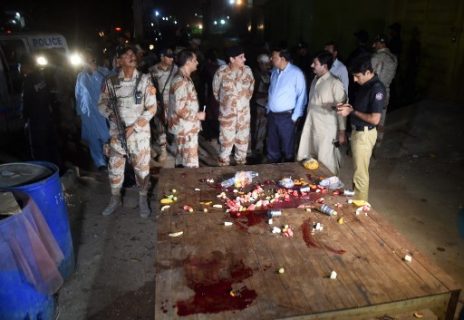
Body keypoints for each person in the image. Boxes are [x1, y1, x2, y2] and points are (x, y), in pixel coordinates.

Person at [98, 46, 157, 218]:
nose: (132, 57)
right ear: (119, 61)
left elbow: (152, 108)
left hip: (139, 135)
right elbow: (101, 104)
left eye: (133, 54)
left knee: (142, 170)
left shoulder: (145, 80)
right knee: (115, 169)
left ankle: (142, 200)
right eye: (127, 55)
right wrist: (112, 116)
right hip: (117, 134)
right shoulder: (111, 81)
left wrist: (134, 127)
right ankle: (115, 199)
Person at [336, 54, 385, 201]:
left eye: (357, 76)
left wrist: (352, 111)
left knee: (361, 175)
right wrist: (349, 107)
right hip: (358, 132)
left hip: (365, 134)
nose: (354, 80)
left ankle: (360, 207)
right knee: (358, 173)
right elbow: (361, 107)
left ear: (368, 72)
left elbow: (375, 119)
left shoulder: (377, 89)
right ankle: (356, 200)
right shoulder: (365, 85)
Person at [297, 51, 346, 175]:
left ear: (324, 66)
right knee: (310, 157)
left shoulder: (335, 83)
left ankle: (330, 188)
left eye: (315, 63)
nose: (312, 65)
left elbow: (342, 109)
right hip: (312, 126)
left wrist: (342, 132)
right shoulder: (315, 80)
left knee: (326, 160)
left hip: (326, 130)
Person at [213, 46, 254, 166]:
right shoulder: (221, 72)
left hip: (244, 115)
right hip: (227, 116)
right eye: (241, 57)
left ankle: (241, 167)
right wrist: (228, 105)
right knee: (226, 144)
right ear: (231, 59)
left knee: (242, 143)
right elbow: (216, 92)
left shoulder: (248, 71)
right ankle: (223, 168)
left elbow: (250, 91)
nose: (244, 59)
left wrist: (241, 104)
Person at [266, 47, 307, 163]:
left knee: (287, 146)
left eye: (274, 57)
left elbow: (302, 96)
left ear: (282, 59)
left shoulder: (296, 73)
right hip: (272, 115)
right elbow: (271, 91)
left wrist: (295, 117)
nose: (271, 59)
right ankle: (272, 171)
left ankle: (288, 172)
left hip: (287, 116)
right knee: (272, 145)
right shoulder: (274, 72)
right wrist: (268, 108)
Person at [167, 49, 206, 168]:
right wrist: (197, 116)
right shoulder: (181, 81)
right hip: (185, 130)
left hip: (185, 128)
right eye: (195, 60)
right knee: (190, 165)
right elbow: (180, 109)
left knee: (181, 162)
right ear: (188, 62)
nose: (197, 63)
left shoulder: (184, 78)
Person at [75, 49, 112, 171]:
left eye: (88, 59)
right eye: (84, 59)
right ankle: (100, 163)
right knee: (93, 139)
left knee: (106, 137)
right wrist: (79, 113)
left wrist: (95, 71)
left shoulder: (104, 72)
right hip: (88, 114)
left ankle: (111, 160)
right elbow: (78, 95)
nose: (86, 62)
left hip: (103, 113)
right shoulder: (81, 76)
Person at [21, 55, 61, 166]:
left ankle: (44, 169)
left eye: (21, 66)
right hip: (46, 116)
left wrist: (24, 118)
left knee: (38, 148)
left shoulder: (28, 81)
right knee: (50, 145)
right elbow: (48, 95)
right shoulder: (40, 77)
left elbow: (26, 101)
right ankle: (56, 167)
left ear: (26, 66)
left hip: (36, 121)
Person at [148, 48, 178, 162]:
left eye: (172, 56)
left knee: (175, 127)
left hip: (173, 103)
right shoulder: (153, 70)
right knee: (160, 128)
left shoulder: (176, 69)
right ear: (162, 57)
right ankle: (163, 151)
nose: (171, 59)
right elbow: (148, 88)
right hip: (159, 103)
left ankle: (177, 149)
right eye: (168, 56)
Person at [371, 34, 398, 145]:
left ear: (381, 43)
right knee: (382, 115)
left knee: (372, 116)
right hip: (386, 90)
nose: (373, 45)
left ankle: (369, 142)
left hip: (376, 90)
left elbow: (370, 75)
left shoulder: (377, 57)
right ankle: (379, 141)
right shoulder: (393, 57)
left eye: (376, 43)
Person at [250, 53, 271, 160]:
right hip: (258, 105)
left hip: (265, 105)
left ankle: (259, 150)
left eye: (268, 64)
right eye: (265, 64)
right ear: (260, 64)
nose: (268, 66)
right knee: (257, 128)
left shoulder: (268, 74)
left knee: (262, 129)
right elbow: (253, 93)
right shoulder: (255, 75)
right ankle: (256, 151)